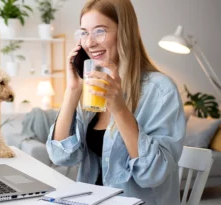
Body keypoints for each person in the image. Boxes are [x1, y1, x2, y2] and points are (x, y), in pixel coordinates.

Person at [46, 0, 186, 204]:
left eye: (100, 31)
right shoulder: (91, 87)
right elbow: (60, 157)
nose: (90, 42)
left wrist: (119, 108)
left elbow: (153, 174)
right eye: (84, 32)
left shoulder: (161, 89)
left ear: (124, 32)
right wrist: (72, 90)